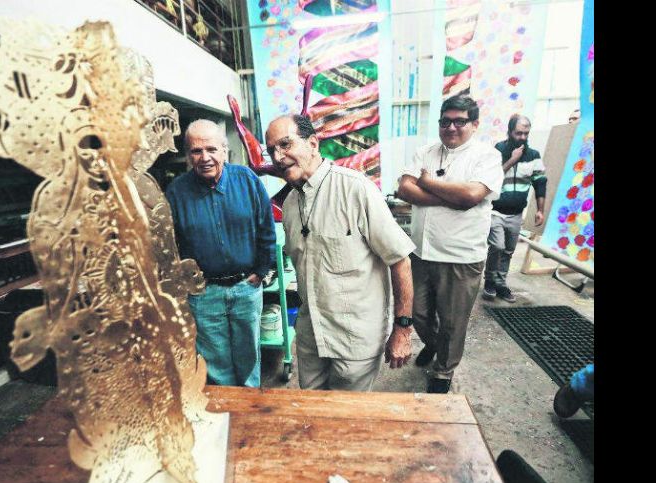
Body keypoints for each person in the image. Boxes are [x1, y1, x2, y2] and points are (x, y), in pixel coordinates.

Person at [265, 114, 416, 391]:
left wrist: (403, 329)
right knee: (314, 416)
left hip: (355, 338)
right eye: (272, 150)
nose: (278, 156)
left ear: (313, 143)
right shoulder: (288, 204)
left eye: (285, 144)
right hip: (311, 335)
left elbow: (400, 260)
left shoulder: (356, 189)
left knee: (349, 421)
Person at [396, 94, 503, 393]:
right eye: (445, 121)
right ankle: (434, 345)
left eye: (459, 122)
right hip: (421, 251)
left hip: (461, 256)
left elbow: (471, 196)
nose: (451, 128)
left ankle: (443, 371)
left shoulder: (486, 156)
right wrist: (451, 197)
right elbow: (404, 188)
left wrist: (428, 184)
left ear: (474, 124)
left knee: (453, 322)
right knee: (417, 313)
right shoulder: (425, 152)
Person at [165, 119, 276, 387]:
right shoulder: (176, 192)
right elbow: (169, 246)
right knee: (215, 364)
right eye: (196, 151)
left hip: (246, 288)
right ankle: (225, 416)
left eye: (212, 149)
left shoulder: (247, 180)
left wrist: (261, 271)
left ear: (224, 150)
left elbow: (266, 227)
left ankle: (248, 415)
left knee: (249, 358)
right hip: (204, 294)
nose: (205, 157)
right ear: (188, 155)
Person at [483, 114, 547, 303]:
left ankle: (500, 284)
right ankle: (489, 281)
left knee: (509, 251)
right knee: (497, 246)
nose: (523, 137)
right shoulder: (499, 150)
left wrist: (540, 210)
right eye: (518, 133)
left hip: (516, 213)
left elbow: (540, 182)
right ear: (510, 132)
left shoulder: (533, 155)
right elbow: (491, 177)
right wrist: (512, 159)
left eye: (526, 133)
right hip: (495, 210)